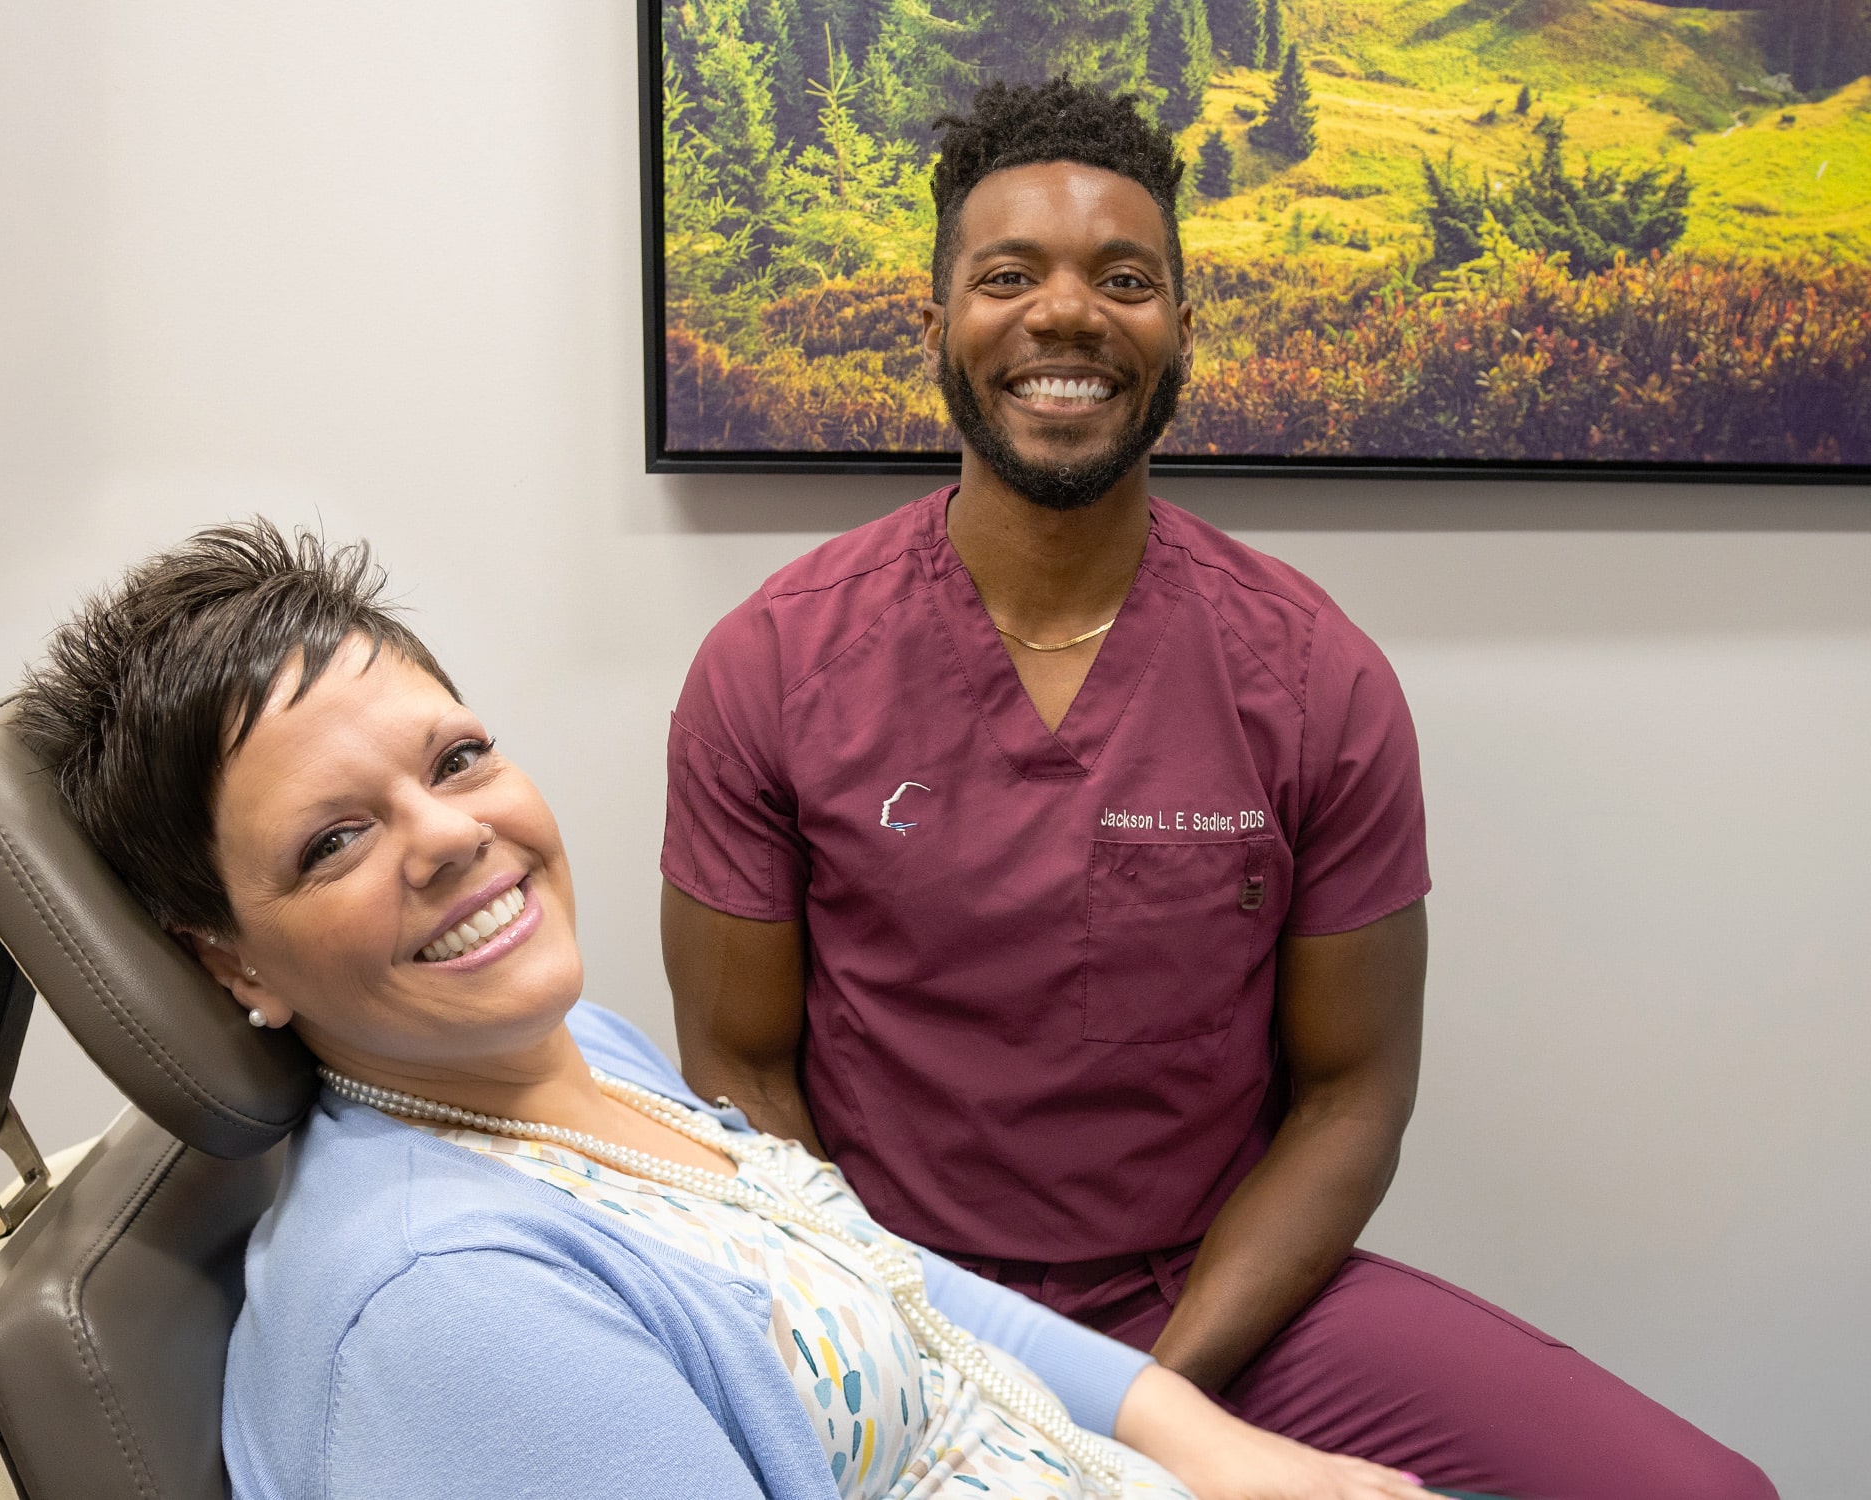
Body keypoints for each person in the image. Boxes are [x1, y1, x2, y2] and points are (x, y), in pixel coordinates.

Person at [660, 79, 1774, 1500]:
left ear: (1184, 330)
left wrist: (1152, 1411)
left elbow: (1352, 1093)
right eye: (1008, 276)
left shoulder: (1314, 677)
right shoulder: (775, 662)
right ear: (933, 327)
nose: (1067, 314)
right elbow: (741, 1076)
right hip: (899, 1305)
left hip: (1224, 1305)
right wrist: (916, 1356)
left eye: (1126, 279)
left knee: (1700, 1494)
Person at [14, 520, 1473, 1500]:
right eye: (333, 841)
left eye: (455, 759)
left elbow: (904, 1293)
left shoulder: (576, 1060)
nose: (452, 835)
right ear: (234, 966)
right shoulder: (448, 1311)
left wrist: (1228, 1455)